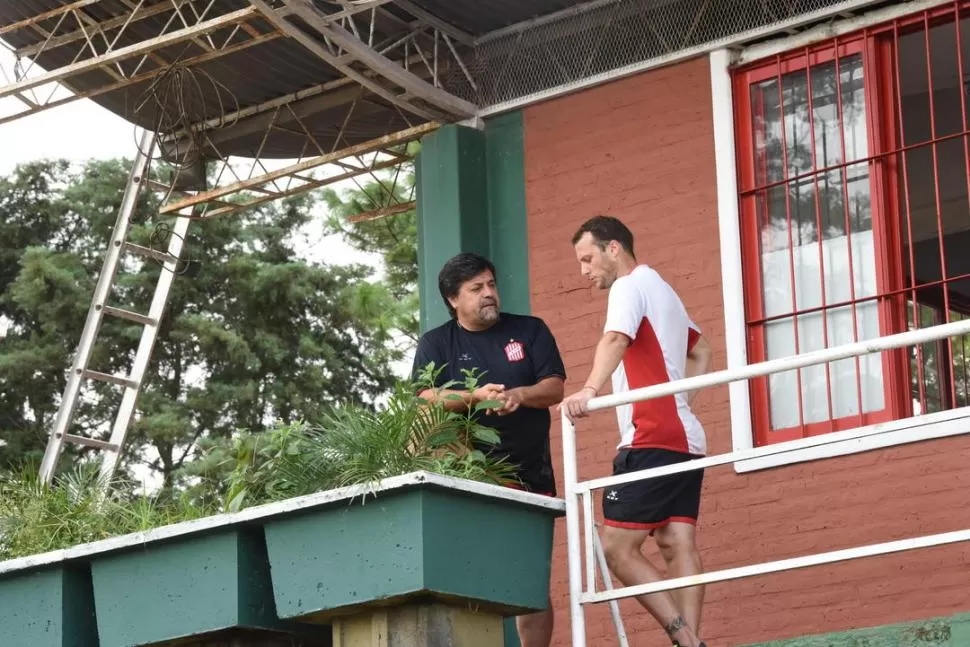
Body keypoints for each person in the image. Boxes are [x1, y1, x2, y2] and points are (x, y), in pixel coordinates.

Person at [559, 216, 713, 647]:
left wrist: (588, 390)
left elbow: (615, 339)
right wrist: (679, 407)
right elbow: (701, 352)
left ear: (613, 249)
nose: (584, 271)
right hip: (684, 438)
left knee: (616, 549)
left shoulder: (628, 286)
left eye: (587, 259)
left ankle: (684, 639)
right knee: (675, 541)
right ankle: (693, 643)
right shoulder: (661, 286)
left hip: (651, 438)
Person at [410, 251, 566, 647]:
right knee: (472, 577)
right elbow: (424, 398)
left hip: (530, 473)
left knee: (527, 579)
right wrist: (474, 396)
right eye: (476, 288)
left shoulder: (530, 330)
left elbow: (554, 387)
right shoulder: (436, 344)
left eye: (491, 285)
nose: (488, 294)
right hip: (468, 478)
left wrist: (518, 394)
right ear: (453, 299)